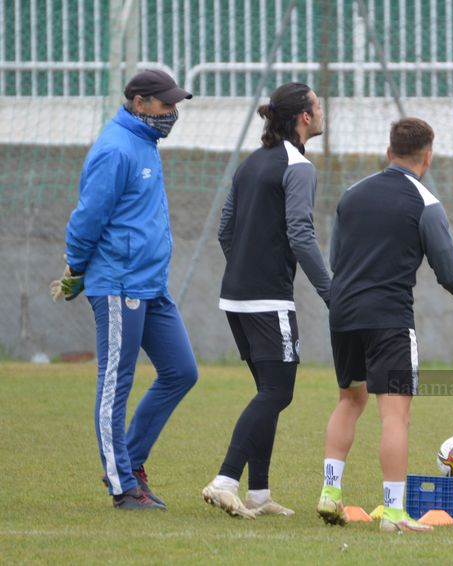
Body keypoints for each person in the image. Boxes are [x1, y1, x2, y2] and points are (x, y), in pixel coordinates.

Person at [316, 118, 453, 533]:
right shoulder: (425, 201)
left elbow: (336, 258)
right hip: (389, 317)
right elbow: (448, 270)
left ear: (389, 151)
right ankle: (394, 513)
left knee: (349, 401)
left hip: (343, 312)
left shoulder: (352, 195)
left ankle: (330, 492)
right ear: (428, 156)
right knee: (395, 415)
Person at [51, 69, 197, 510]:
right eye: (165, 103)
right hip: (118, 283)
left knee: (181, 372)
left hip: (150, 283)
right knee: (116, 382)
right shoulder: (115, 148)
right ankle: (122, 485)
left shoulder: (144, 143)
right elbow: (87, 217)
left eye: (174, 104)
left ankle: (129, 461)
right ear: (139, 102)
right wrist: (76, 268)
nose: (172, 112)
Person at [200, 83, 332, 519]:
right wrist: (333, 292)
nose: (321, 110)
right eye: (317, 105)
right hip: (267, 300)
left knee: (267, 391)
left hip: (235, 297)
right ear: (304, 118)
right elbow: (301, 235)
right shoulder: (299, 167)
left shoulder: (250, 164)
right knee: (278, 392)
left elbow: (225, 230)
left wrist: (243, 269)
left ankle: (259, 493)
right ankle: (225, 480)